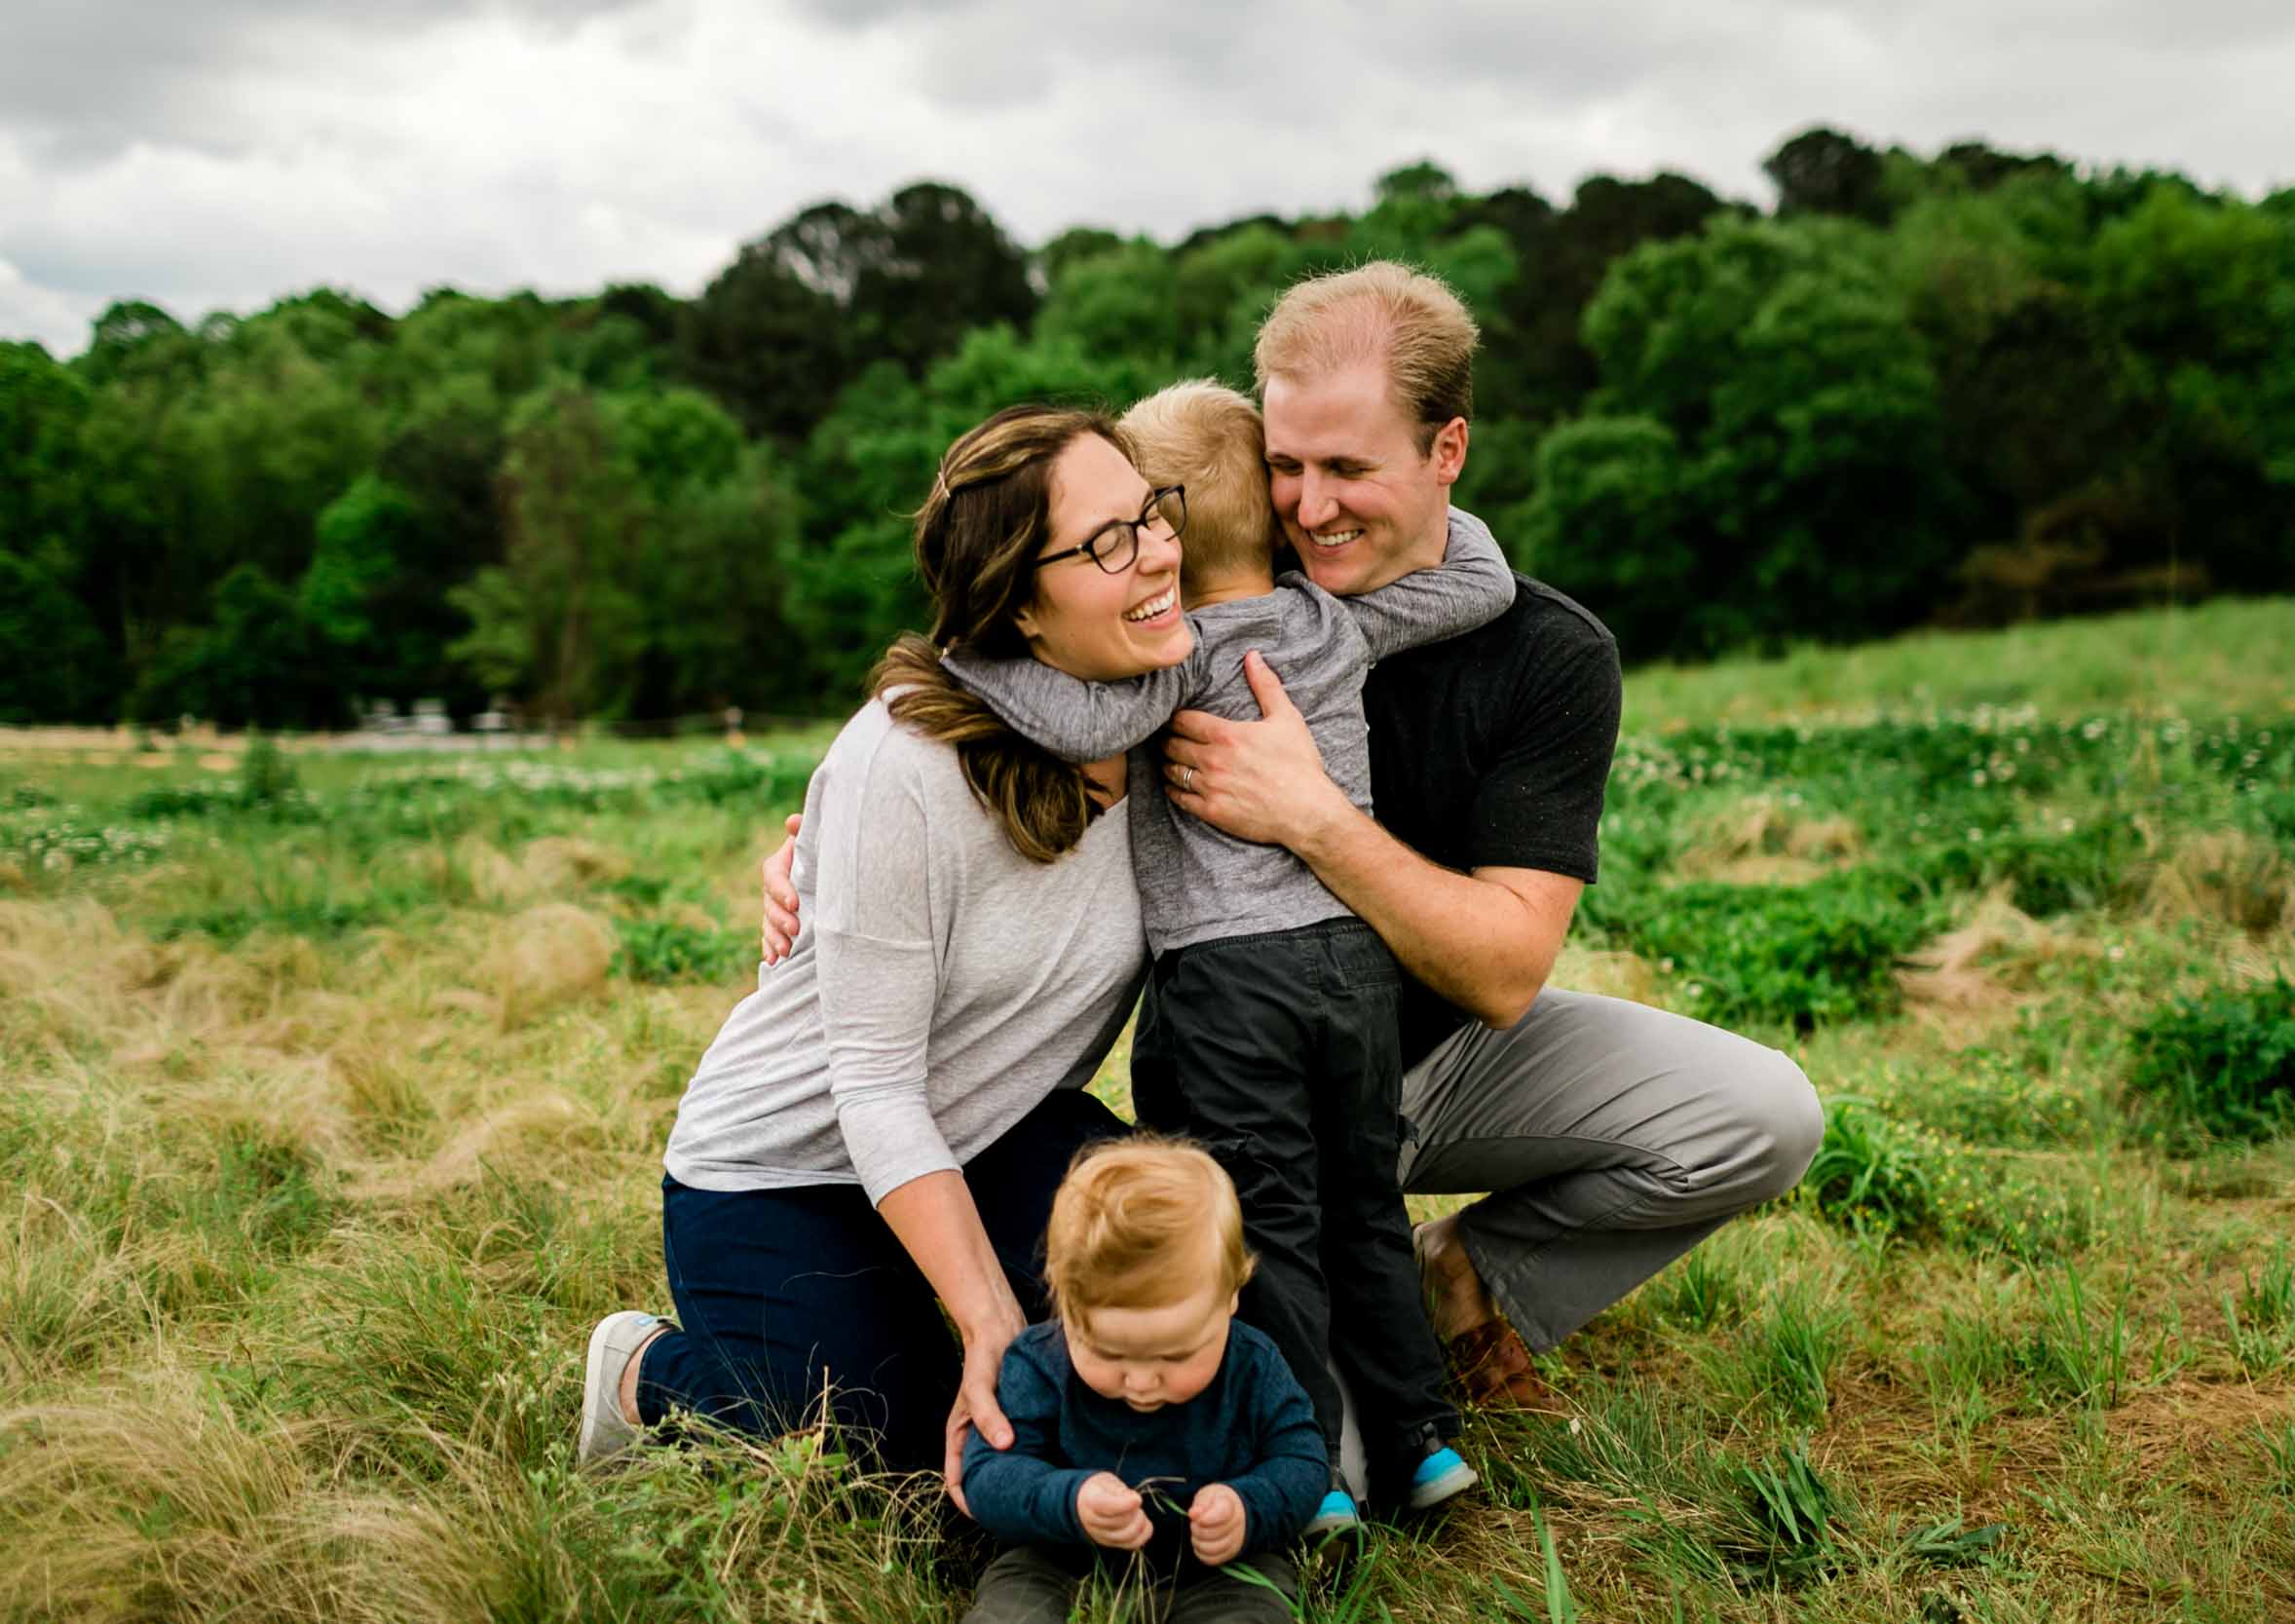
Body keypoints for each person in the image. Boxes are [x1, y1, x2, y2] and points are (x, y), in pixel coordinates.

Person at [761, 262, 1825, 1430]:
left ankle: (1464, 1277)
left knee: (1760, 1111)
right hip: (1241, 1073)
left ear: (1447, 450)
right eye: (1286, 464)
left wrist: (1311, 815)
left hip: (1435, 1057)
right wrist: (833, 852)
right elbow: (1018, 643)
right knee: (1295, 1435)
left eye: (1350, 469)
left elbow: (1507, 970)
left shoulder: (1549, 655)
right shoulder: (1181, 619)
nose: (1310, 506)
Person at [579, 404, 1201, 1492]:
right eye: (1107, 541)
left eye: (1152, 512)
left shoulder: (1176, 702)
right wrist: (988, 1313)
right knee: (886, 1446)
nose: (1156, 552)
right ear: (1018, 604)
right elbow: (870, 1080)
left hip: (996, 1125)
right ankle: (646, 1372)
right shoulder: (902, 766)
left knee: (1138, 1328)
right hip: (787, 1163)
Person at [944, 378, 1505, 1529]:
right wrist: (1453, 500)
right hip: (1356, 967)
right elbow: (1479, 582)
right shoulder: (1331, 621)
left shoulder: (1170, 658)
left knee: (1267, 1223)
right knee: (1364, 1208)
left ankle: (1314, 1476)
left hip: (1230, 981)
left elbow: (1071, 721)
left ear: (1169, 531)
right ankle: (1423, 1445)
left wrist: (963, 656)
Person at [959, 1137, 1328, 1624]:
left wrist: (1246, 1506)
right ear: (1066, 1308)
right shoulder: (1038, 1364)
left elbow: (1302, 1459)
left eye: (1175, 1356)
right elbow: (987, 1476)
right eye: (1109, 1353)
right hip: (1059, 1560)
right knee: (1010, 1612)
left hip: (1216, 1570)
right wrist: (1069, 1500)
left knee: (1256, 1612)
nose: (1140, 1381)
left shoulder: (1253, 1365)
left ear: (1231, 1298)